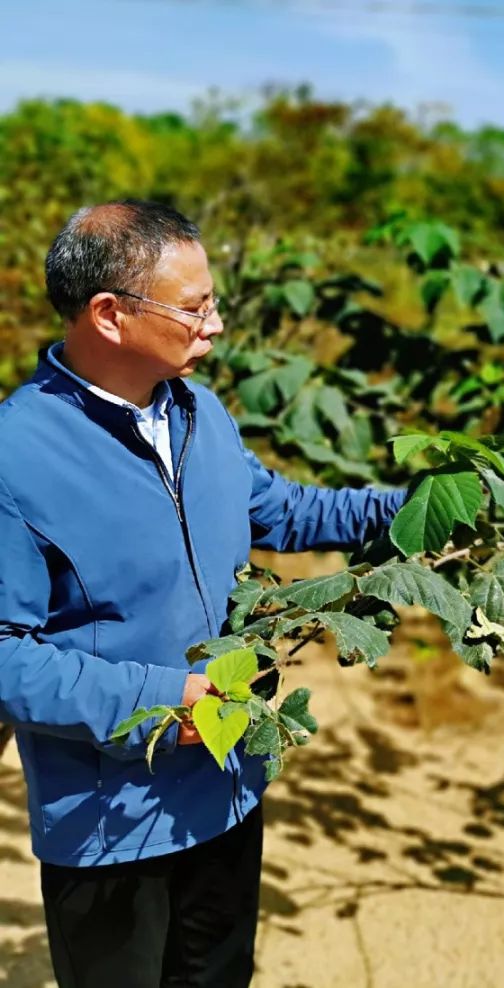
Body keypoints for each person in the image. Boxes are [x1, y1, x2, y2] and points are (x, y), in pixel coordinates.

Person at [0, 200, 405, 987]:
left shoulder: (198, 411)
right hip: (110, 825)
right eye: (196, 308)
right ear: (110, 315)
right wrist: (170, 703)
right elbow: (6, 658)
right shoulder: (14, 455)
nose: (215, 325)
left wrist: (410, 507)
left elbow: (279, 509)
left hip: (227, 788)